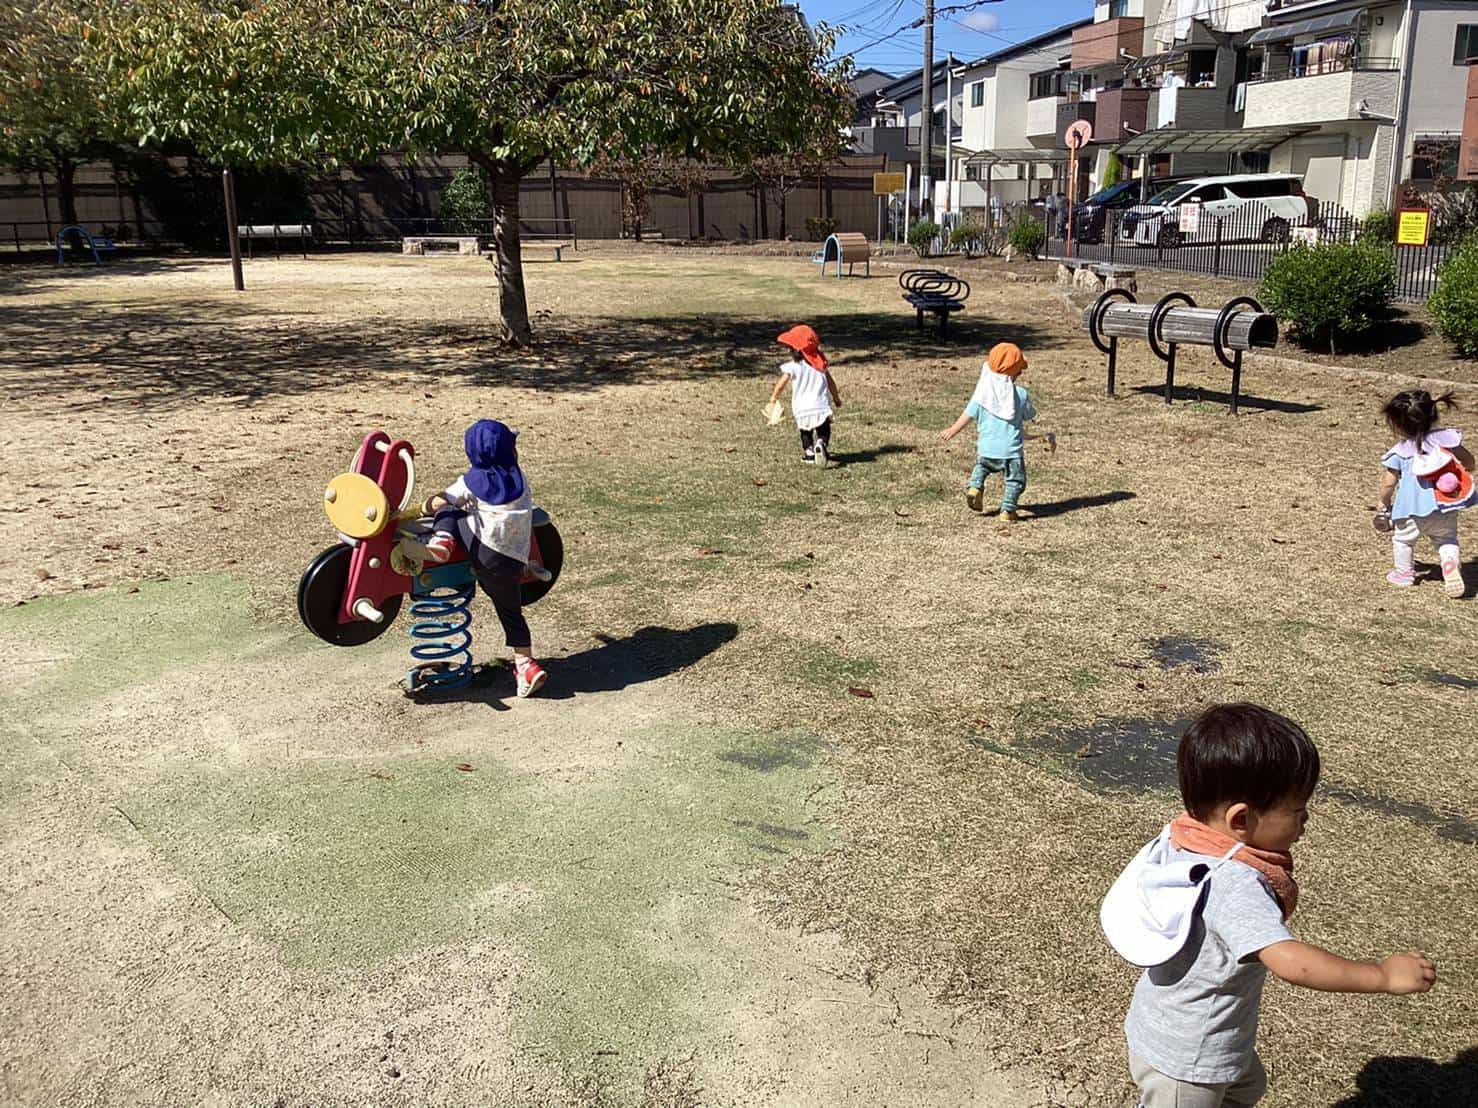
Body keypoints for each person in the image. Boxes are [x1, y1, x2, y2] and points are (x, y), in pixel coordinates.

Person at [1101, 704, 1436, 1108]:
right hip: (1187, 1061)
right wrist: (1382, 976)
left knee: (1246, 1088)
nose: (1306, 820)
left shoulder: (1187, 837)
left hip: (1191, 1032)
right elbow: (1292, 963)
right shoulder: (1233, 883)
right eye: (1297, 810)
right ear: (1241, 819)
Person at [420, 419, 550, 697]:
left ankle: (442, 539)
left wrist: (425, 506)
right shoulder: (520, 478)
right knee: (511, 612)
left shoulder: (471, 481)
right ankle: (525, 664)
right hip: (514, 561)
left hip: (486, 555)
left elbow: (443, 500)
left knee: (449, 511)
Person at [938, 342, 1054, 520]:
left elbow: (968, 415)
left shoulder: (982, 395)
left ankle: (975, 487)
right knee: (1016, 481)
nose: (1021, 373)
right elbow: (1030, 415)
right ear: (1011, 373)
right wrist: (1041, 433)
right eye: (1018, 369)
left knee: (982, 467)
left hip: (987, 449)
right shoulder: (1021, 394)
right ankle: (1007, 510)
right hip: (1011, 452)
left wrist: (952, 430)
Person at [1375, 389, 1474, 597]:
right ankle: (1449, 564)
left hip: (1411, 510)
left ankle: (1404, 574)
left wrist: (1383, 502)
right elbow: (1469, 461)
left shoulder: (1401, 451)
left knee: (1403, 540)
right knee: (1447, 539)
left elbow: (1388, 482)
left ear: (1399, 425)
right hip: (1444, 505)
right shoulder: (1446, 440)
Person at [767, 324, 842, 466]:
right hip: (820, 406)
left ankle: (809, 453)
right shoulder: (821, 367)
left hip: (801, 408)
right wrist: (836, 398)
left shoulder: (793, 366)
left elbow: (781, 384)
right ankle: (821, 443)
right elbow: (831, 384)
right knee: (824, 429)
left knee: (805, 432)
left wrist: (773, 398)